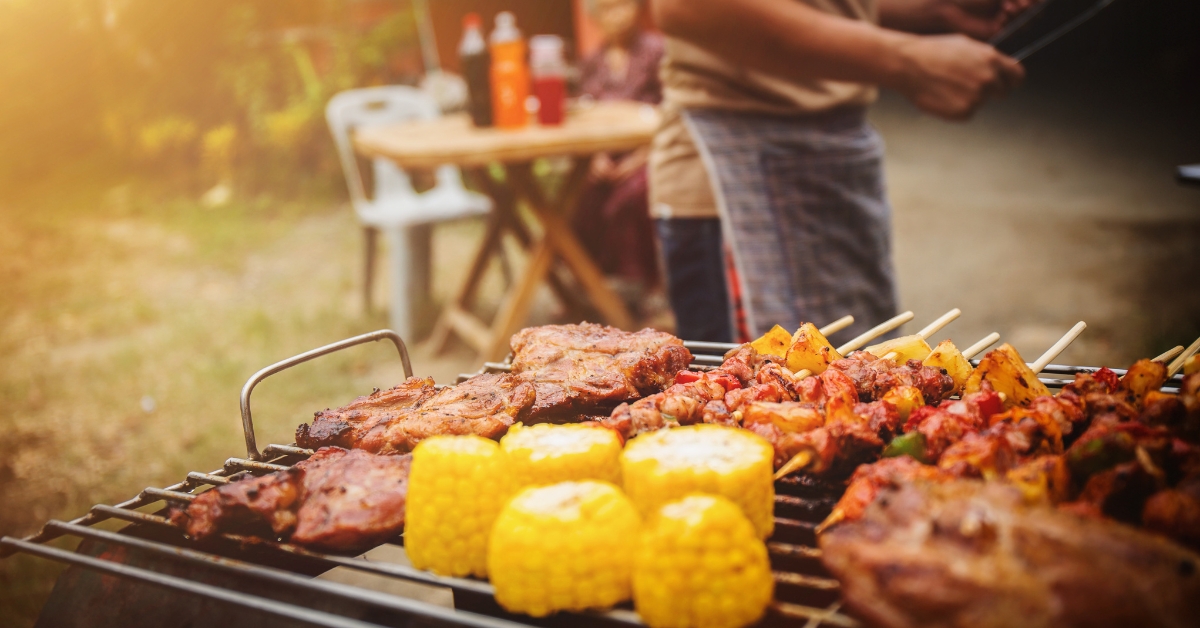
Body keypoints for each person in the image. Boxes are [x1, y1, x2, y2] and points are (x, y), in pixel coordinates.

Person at [649, 0, 1029, 343]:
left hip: (835, 165)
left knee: (863, 397)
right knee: (761, 406)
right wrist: (909, 60)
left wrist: (934, 11)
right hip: (737, 177)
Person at [571, 0, 665, 314]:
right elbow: (583, 113)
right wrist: (594, 156)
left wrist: (639, 157)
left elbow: (671, 111)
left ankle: (639, 286)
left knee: (632, 196)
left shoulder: (657, 51)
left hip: (650, 152)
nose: (618, 14)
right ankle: (589, 284)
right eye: (608, 8)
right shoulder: (592, 60)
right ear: (596, 16)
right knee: (578, 198)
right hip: (603, 155)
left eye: (624, 5)